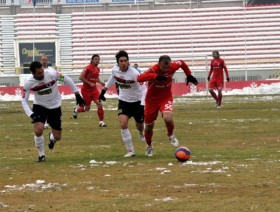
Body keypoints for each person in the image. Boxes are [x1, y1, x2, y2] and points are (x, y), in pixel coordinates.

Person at [22, 61, 85, 162]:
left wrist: (77, 94)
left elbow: (67, 79)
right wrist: (31, 114)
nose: (42, 74)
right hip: (40, 106)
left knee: (58, 137)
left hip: (55, 106)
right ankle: (41, 155)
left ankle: (52, 138)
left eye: (42, 71)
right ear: (33, 73)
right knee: (38, 130)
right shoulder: (28, 83)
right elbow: (24, 101)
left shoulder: (52, 74)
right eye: (39, 73)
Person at [137, 55, 198, 156]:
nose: (166, 70)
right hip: (151, 101)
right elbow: (139, 78)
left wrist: (188, 75)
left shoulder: (173, 66)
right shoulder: (153, 69)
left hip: (166, 97)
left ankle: (171, 135)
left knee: (168, 118)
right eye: (163, 68)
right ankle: (149, 146)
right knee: (148, 127)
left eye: (167, 67)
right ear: (159, 65)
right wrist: (155, 76)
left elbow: (181, 62)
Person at [99, 50, 147, 157]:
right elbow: (112, 78)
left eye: (125, 60)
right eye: (121, 61)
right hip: (123, 101)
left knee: (140, 125)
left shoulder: (135, 73)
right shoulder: (115, 71)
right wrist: (103, 91)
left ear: (128, 61)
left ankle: (140, 132)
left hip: (137, 102)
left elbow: (144, 90)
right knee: (123, 124)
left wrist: (142, 105)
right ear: (118, 62)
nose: (123, 63)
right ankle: (130, 150)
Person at [72, 54, 107, 127]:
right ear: (92, 60)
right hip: (86, 91)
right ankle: (76, 110)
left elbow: (96, 78)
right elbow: (81, 77)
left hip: (94, 90)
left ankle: (101, 122)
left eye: (98, 59)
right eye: (95, 59)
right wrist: (89, 83)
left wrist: (101, 82)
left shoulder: (98, 69)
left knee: (99, 103)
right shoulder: (87, 68)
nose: (97, 60)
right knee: (87, 108)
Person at [40, 55, 55, 129]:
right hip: (42, 91)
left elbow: (56, 78)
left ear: (47, 60)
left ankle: (48, 121)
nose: (44, 61)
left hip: (51, 91)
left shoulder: (52, 70)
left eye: (45, 60)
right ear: (40, 60)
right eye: (43, 60)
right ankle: (45, 122)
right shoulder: (38, 70)